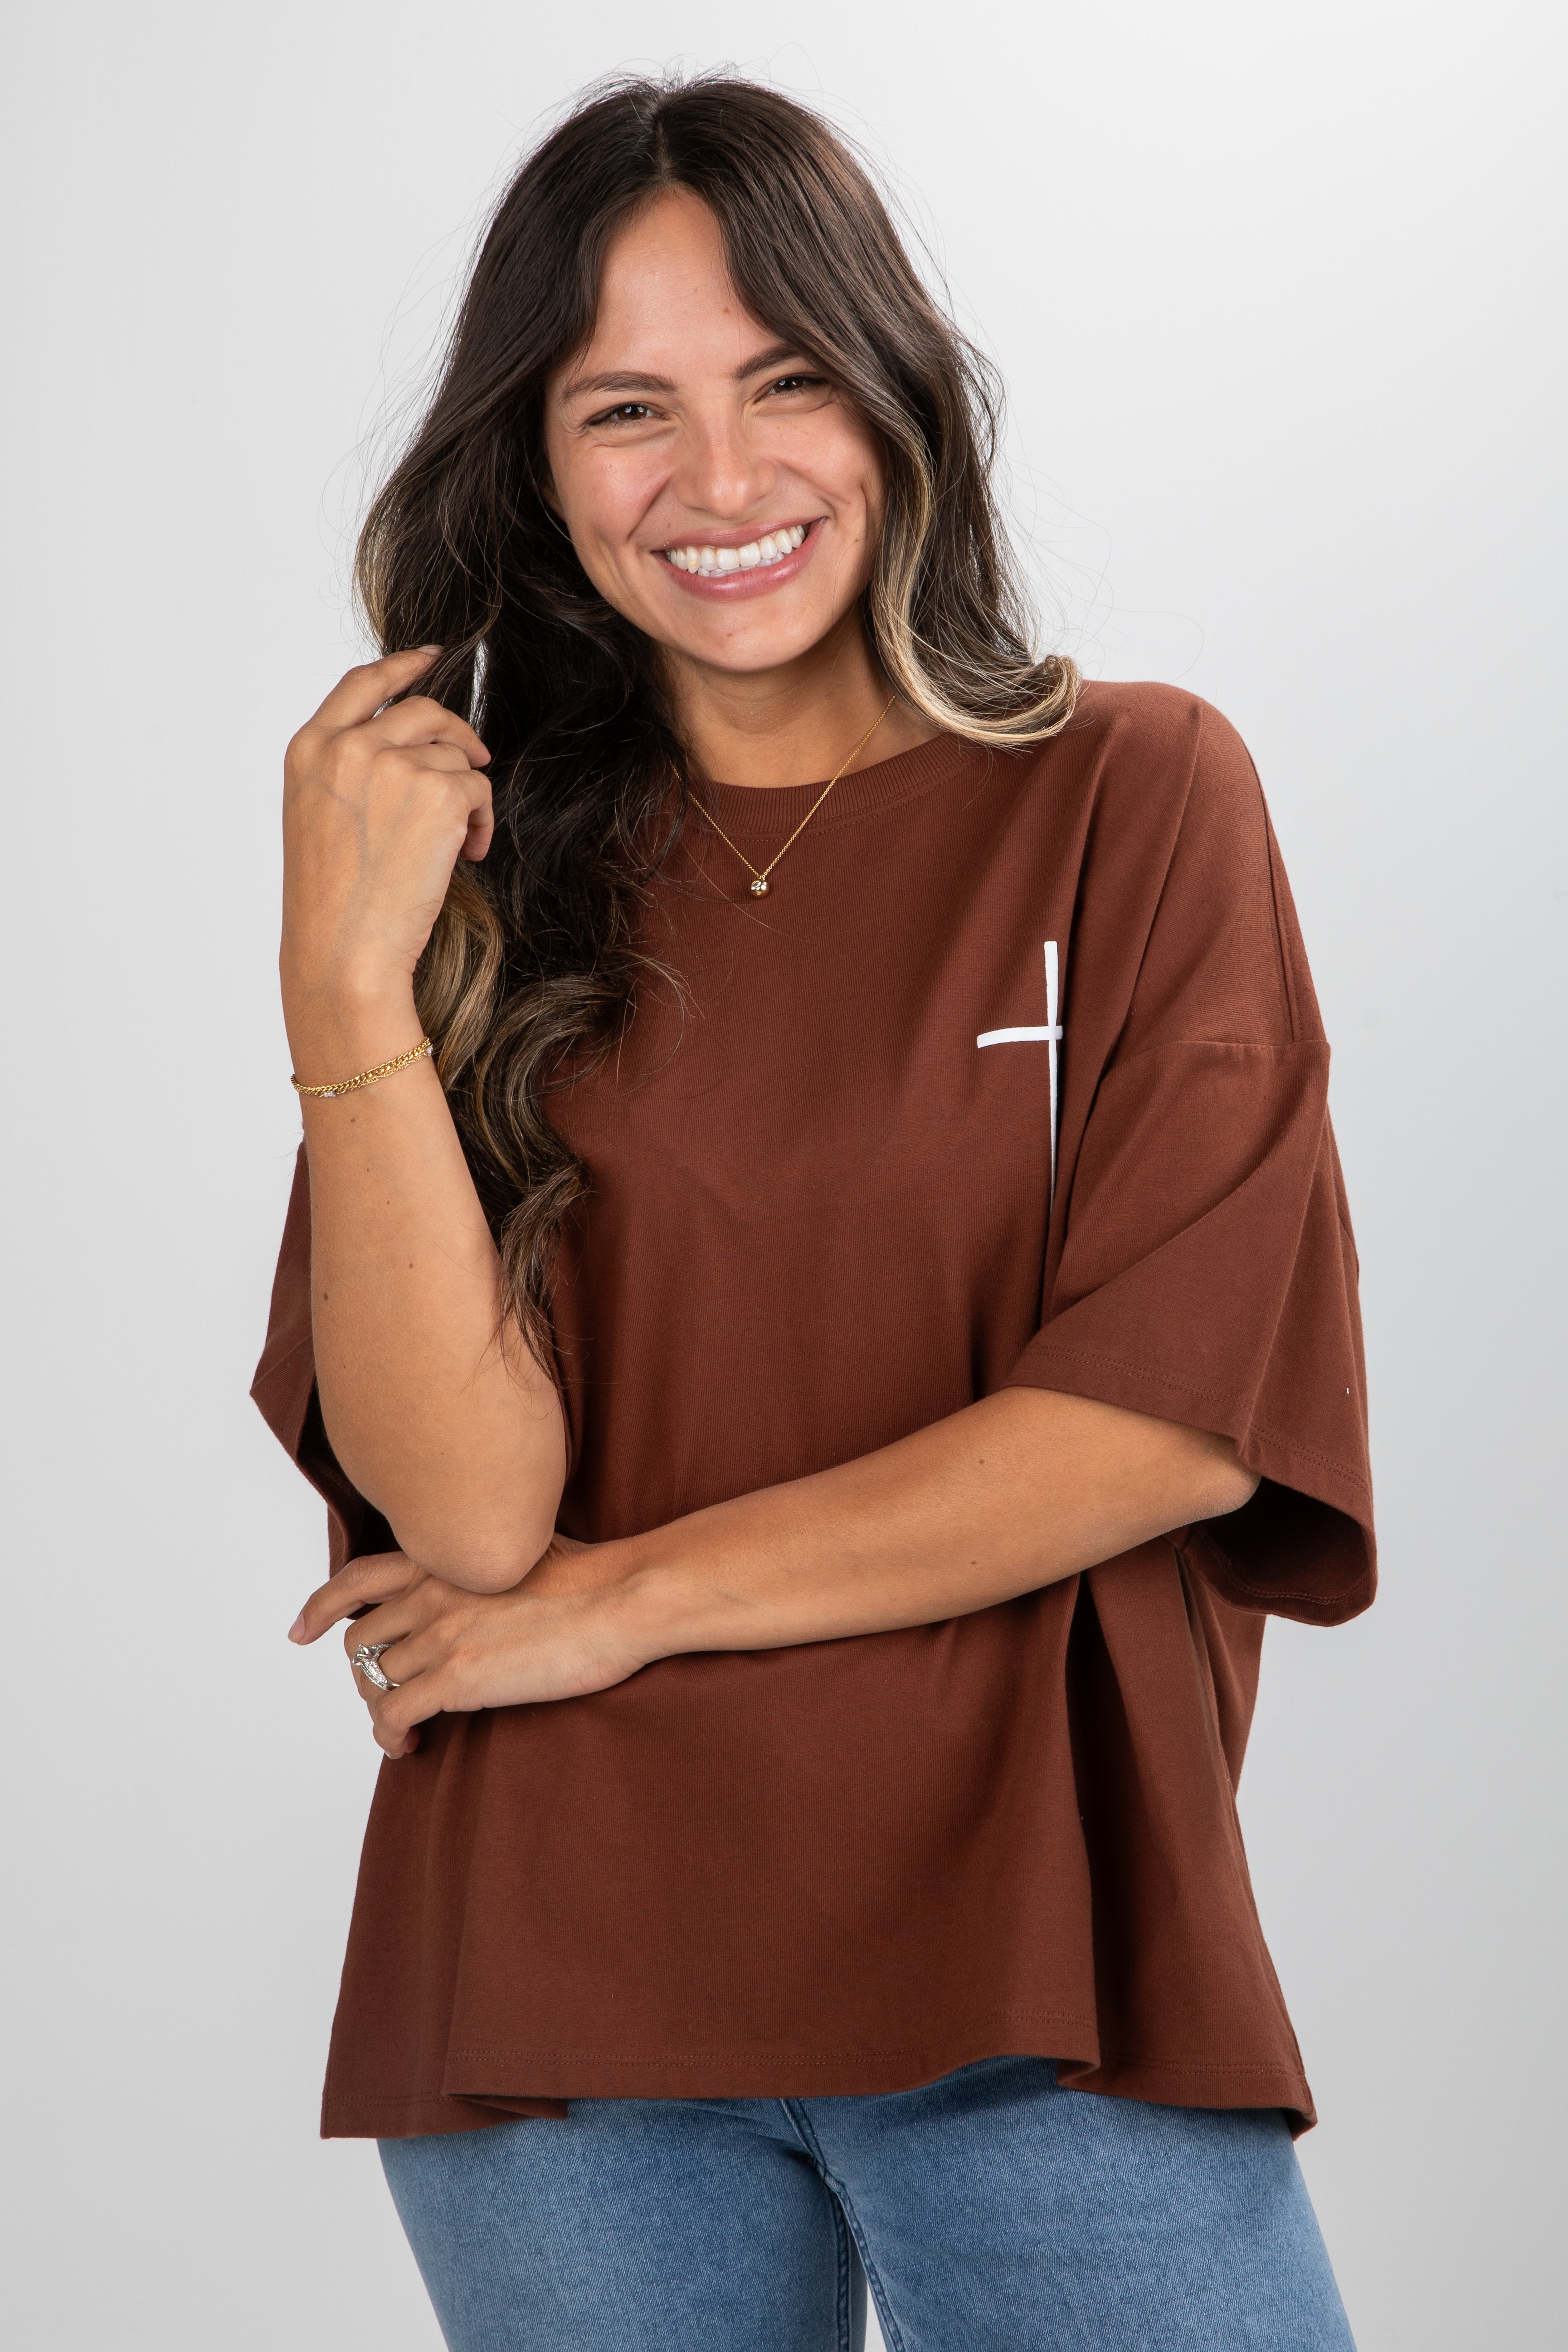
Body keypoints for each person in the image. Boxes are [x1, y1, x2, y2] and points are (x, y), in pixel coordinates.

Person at [253, 71, 1373, 2352]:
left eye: (784, 382)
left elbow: (1162, 1421)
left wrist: (620, 1611)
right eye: (626, 412)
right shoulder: (490, 886)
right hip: (551, 1994)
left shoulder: (1131, 797)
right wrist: (337, 976)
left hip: (1040, 1950)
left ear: (894, 399)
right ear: (539, 470)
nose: (725, 481)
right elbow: (468, 1523)